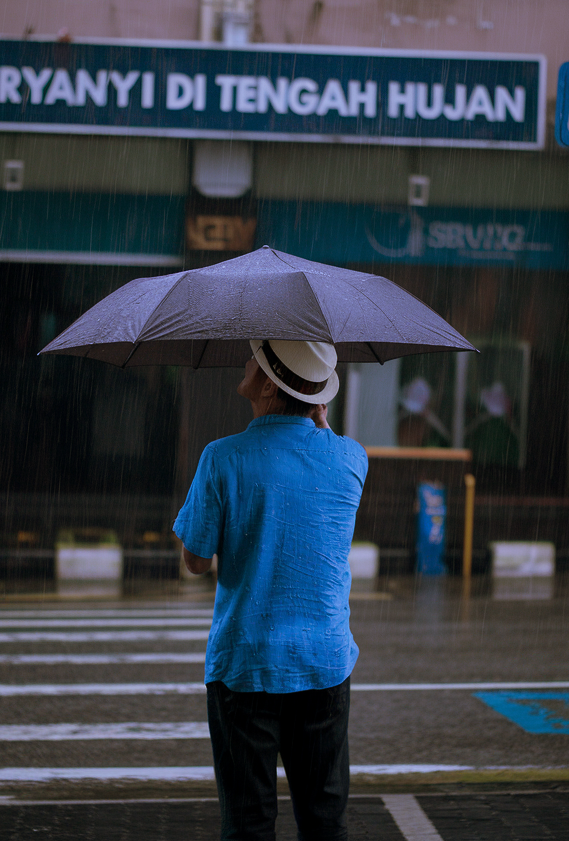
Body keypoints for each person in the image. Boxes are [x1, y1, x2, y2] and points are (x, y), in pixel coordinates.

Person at [173, 339, 368, 841]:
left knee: (248, 824)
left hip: (247, 668)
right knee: (325, 822)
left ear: (266, 382)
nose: (245, 360)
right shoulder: (351, 459)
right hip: (324, 666)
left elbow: (195, 561)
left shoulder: (222, 459)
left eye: (254, 358)